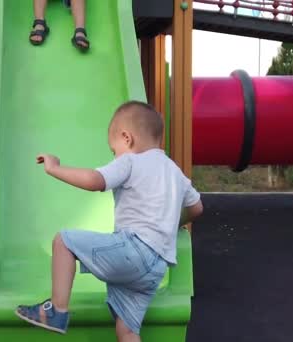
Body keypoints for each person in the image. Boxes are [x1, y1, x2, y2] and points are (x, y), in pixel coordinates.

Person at [15, 101, 204, 341]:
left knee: (63, 241)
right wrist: (172, 223)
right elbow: (196, 208)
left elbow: (95, 181)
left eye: (113, 150)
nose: (114, 156)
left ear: (127, 138)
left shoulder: (131, 161)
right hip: (156, 267)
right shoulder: (174, 171)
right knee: (127, 331)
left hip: (133, 251)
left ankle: (57, 310)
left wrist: (55, 168)